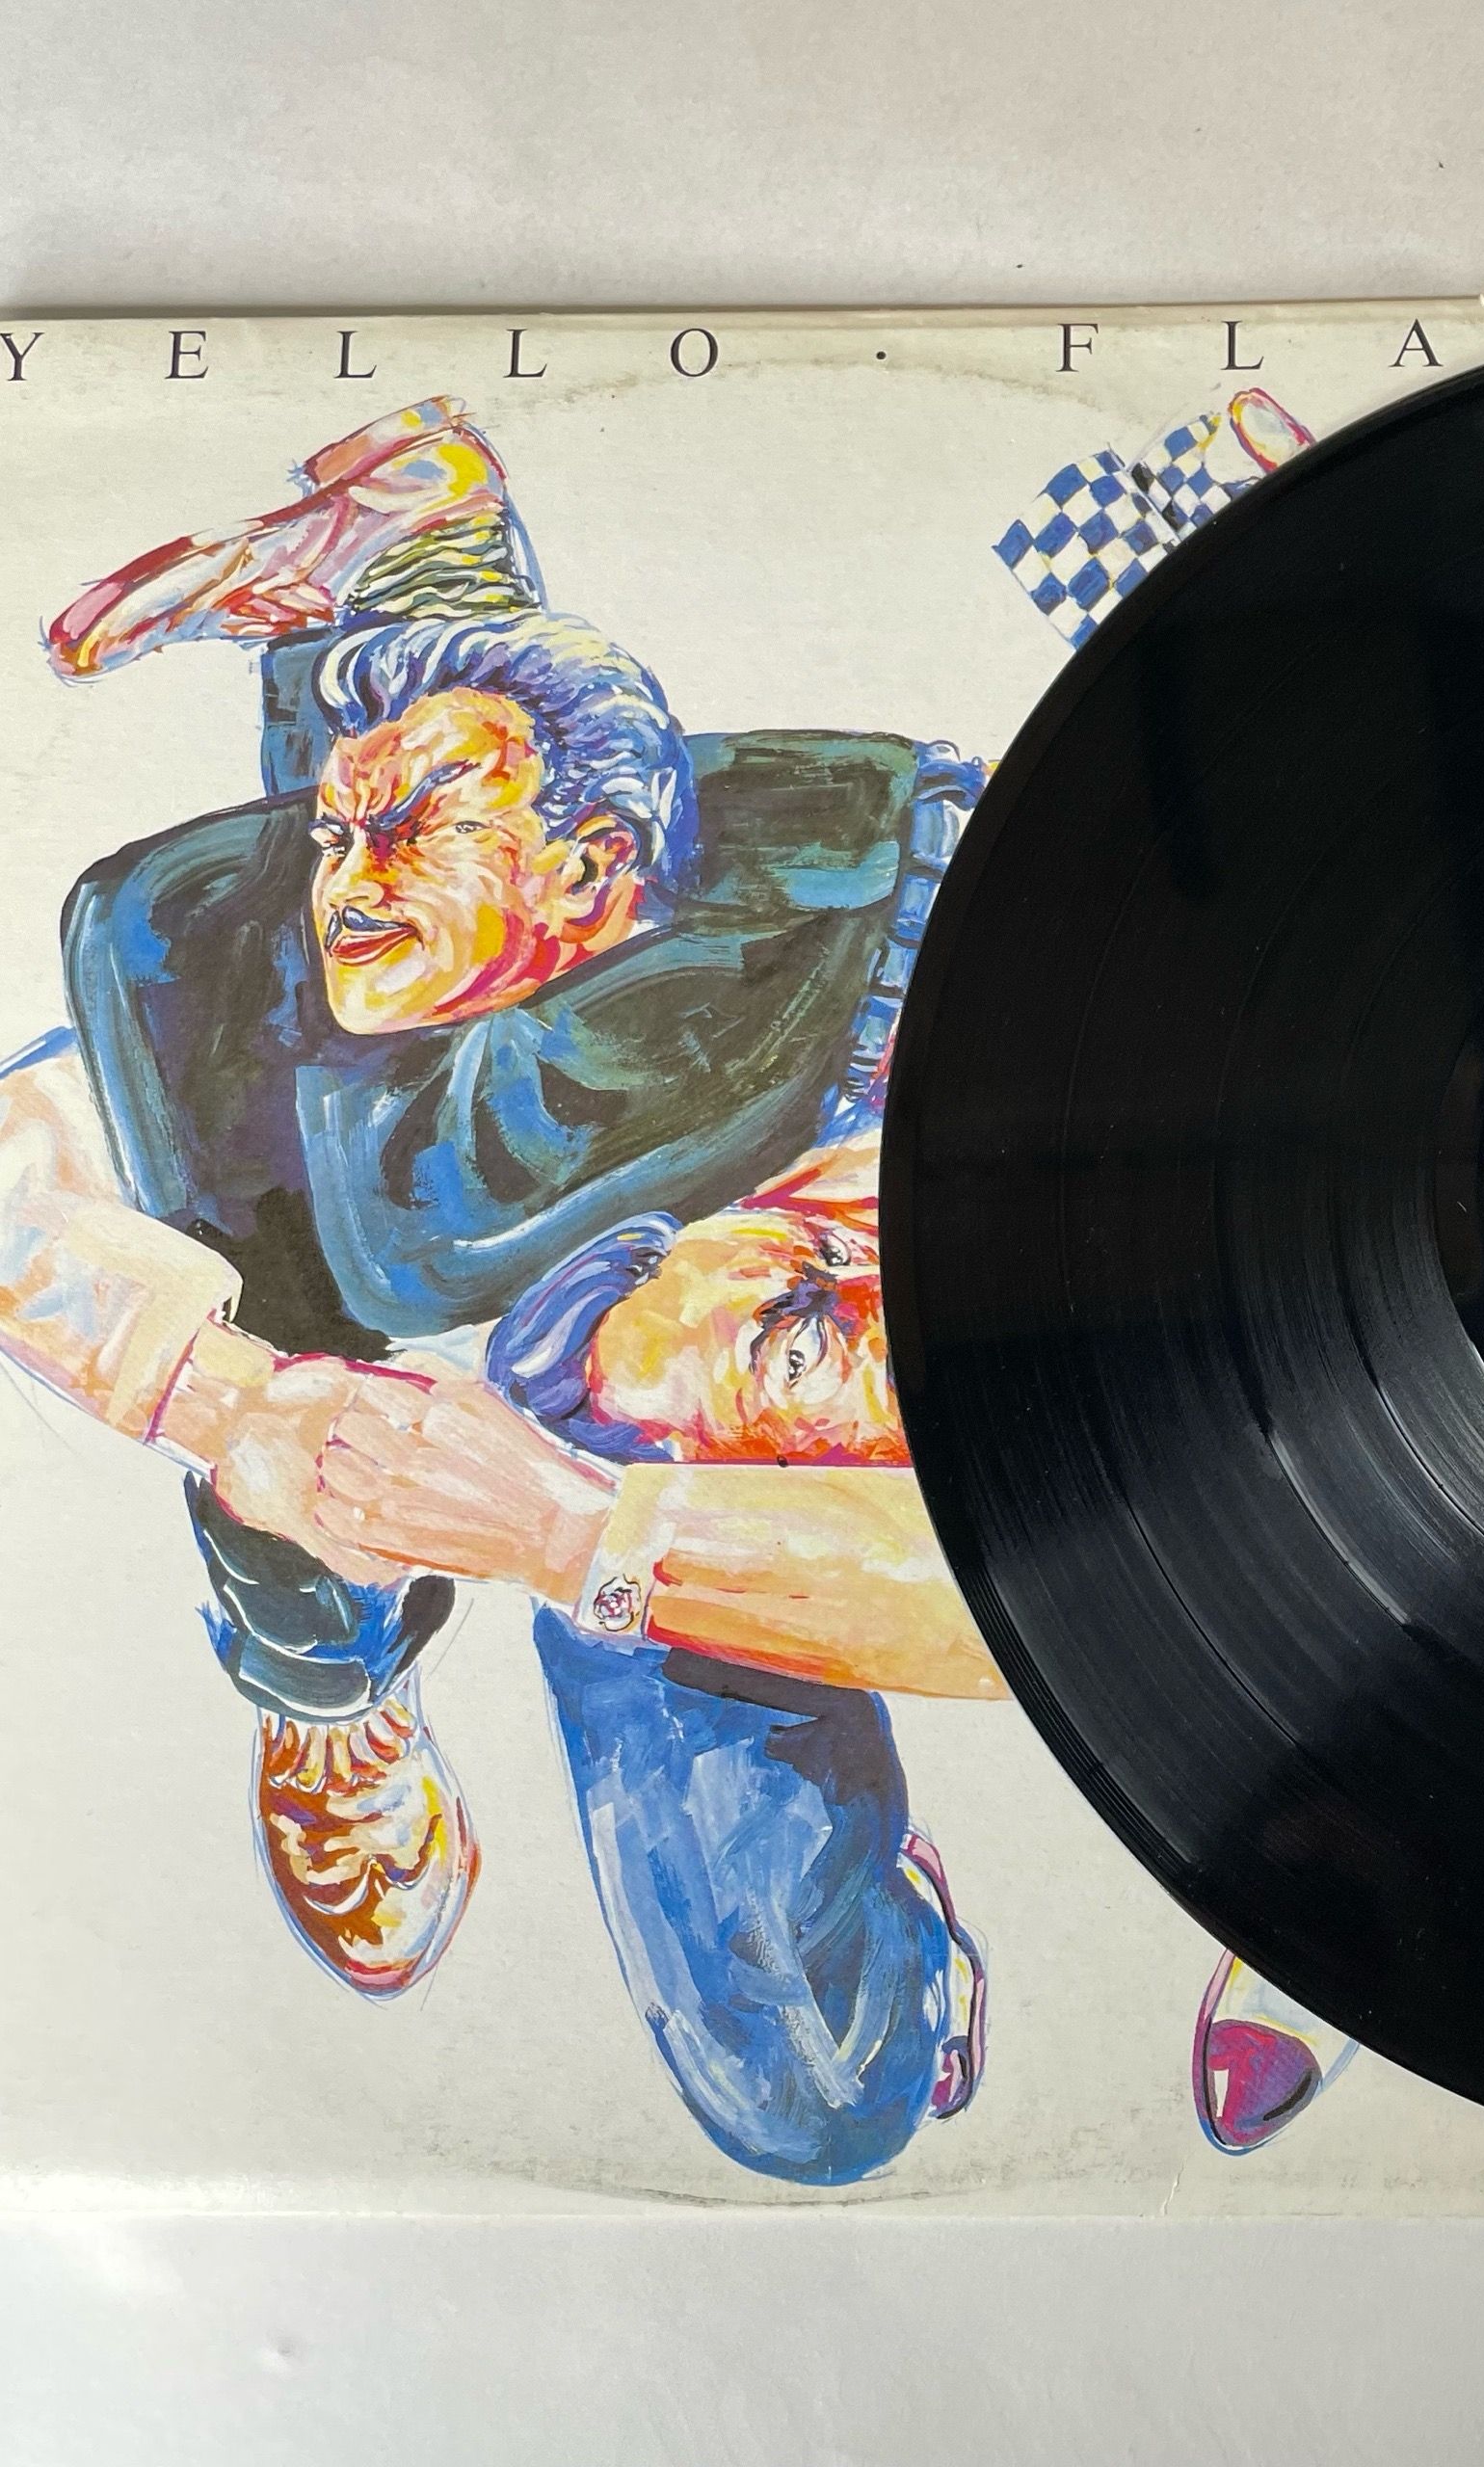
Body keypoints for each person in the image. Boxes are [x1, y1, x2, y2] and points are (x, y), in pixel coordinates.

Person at [0, 399, 989, 2180]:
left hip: (674, 1478)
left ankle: (429, 576)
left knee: (812, 2089)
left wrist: (584, 1536)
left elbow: (1037, 1590)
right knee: (268, 1291)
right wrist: (238, 1408)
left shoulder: (914, 1010)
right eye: (333, 835)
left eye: (407, 831)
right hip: (463, 1356)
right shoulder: (284, 993)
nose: (342, 888)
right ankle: (329, 1696)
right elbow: (17, 1165)